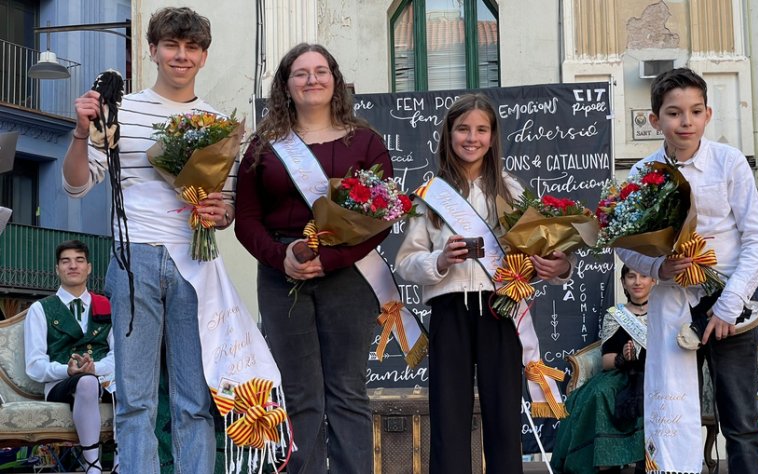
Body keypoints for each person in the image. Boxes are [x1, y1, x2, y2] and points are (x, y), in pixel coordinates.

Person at [62, 8, 229, 473]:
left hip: (195, 265)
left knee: (194, 400)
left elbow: (226, 208)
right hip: (133, 258)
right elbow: (76, 185)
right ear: (152, 50)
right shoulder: (121, 111)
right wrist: (80, 133)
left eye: (191, 47)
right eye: (171, 46)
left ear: (204, 56)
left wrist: (220, 213)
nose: (181, 55)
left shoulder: (217, 124)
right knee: (135, 399)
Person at [395, 93, 575, 474]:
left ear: (493, 138)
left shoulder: (512, 191)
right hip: (450, 311)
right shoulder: (430, 196)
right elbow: (405, 263)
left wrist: (558, 266)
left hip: (500, 310)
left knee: (504, 418)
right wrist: (440, 260)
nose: (471, 138)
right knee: (448, 417)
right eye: (463, 129)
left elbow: (545, 250)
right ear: (448, 135)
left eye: (481, 129)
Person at [234, 43, 391, 474]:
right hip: (281, 272)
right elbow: (245, 219)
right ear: (286, 86)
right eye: (300, 73)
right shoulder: (264, 146)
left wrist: (333, 260)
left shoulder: (366, 142)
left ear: (335, 80)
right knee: (298, 392)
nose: (312, 80)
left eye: (321, 71)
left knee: (346, 391)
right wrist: (279, 256)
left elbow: (382, 219)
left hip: (348, 274)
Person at [617, 67, 758, 473]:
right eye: (673, 113)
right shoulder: (641, 175)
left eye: (695, 111)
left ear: (708, 114)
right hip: (671, 306)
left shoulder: (729, 162)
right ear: (654, 120)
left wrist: (729, 305)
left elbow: (757, 240)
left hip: (729, 305)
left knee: (740, 420)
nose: (685, 122)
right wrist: (660, 267)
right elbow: (625, 247)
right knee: (671, 414)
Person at [551, 266, 655, 474]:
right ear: (623, 282)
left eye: (644, 276)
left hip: (655, 373)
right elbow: (606, 360)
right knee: (601, 393)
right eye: (631, 276)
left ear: (654, 280)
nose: (637, 282)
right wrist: (623, 358)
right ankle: (605, 462)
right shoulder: (615, 315)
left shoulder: (663, 312)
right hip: (622, 374)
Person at [24, 240, 116, 474]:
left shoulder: (106, 306)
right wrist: (67, 370)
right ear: (57, 269)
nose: (73, 266)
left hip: (105, 378)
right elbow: (34, 365)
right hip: (61, 383)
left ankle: (121, 460)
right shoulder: (41, 309)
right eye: (66, 261)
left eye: (79, 260)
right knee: (86, 382)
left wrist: (96, 367)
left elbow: (120, 355)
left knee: (132, 382)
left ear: (89, 267)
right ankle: (93, 464)